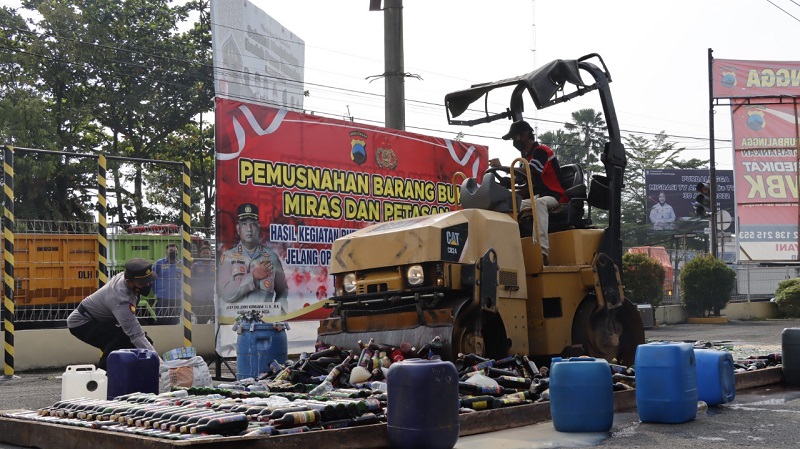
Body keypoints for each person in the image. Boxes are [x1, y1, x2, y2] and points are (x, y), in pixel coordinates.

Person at [67, 258, 160, 370]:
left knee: (144, 342)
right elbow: (135, 335)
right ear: (129, 281)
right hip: (82, 322)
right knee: (123, 338)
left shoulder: (126, 278)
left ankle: (132, 377)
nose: (148, 284)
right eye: (142, 283)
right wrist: (161, 364)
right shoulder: (121, 299)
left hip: (101, 320)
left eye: (149, 280)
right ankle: (102, 375)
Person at [498, 120, 568, 266]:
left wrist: (504, 167)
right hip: (540, 195)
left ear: (525, 135)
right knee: (515, 205)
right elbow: (522, 181)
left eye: (515, 137)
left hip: (556, 196)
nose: (514, 142)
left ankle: (541, 252)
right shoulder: (526, 159)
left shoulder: (542, 151)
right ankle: (509, 249)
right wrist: (507, 182)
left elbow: (532, 170)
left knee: (539, 203)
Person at [218, 203, 289, 315]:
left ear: (259, 227)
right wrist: (253, 277)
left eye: (253, 224)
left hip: (266, 323)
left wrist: (280, 311)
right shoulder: (228, 257)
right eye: (244, 224)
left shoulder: (271, 257)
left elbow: (283, 290)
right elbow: (226, 294)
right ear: (238, 229)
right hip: (238, 325)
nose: (249, 229)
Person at [153, 243, 183, 325]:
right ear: (166, 252)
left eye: (175, 251)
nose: (173, 252)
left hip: (177, 298)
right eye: (171, 251)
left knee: (174, 321)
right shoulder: (159, 263)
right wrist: (156, 292)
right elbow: (152, 278)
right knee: (161, 320)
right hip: (163, 297)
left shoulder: (181, 264)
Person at [191, 245, 216, 323]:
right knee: (201, 319)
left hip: (213, 297)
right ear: (200, 255)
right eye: (204, 253)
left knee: (214, 318)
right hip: (199, 298)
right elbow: (191, 280)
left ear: (211, 253)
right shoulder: (195, 266)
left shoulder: (215, 264)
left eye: (207, 252)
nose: (206, 254)